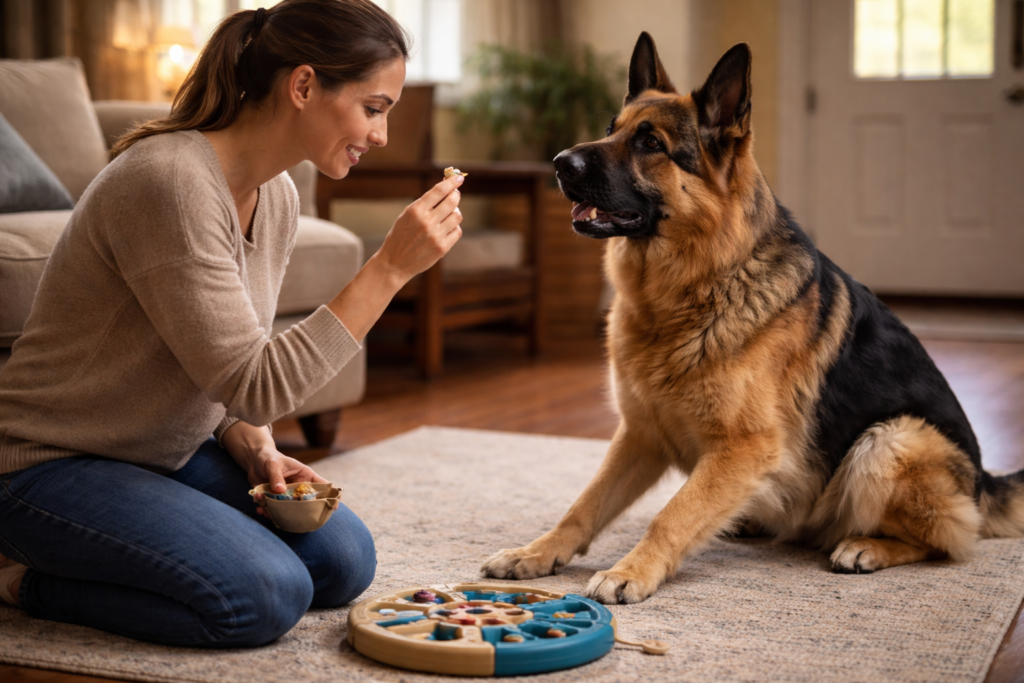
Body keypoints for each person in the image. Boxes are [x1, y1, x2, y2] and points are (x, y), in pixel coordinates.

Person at [0, 0, 463, 648]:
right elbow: (258, 384)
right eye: (373, 108)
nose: (381, 134)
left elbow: (228, 365)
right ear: (303, 86)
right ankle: (22, 580)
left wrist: (255, 445)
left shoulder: (277, 195)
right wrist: (389, 269)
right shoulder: (170, 182)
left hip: (162, 452)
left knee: (342, 560)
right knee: (265, 594)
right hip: (45, 466)